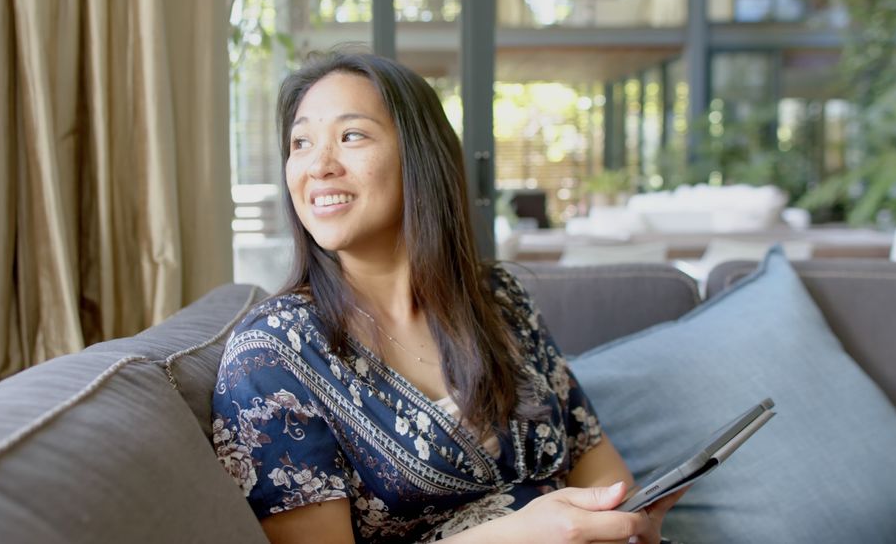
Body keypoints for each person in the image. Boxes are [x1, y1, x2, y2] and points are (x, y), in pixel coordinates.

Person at [212, 50, 685, 543]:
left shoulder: (499, 301)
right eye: (301, 142)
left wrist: (629, 517)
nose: (318, 165)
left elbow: (593, 458)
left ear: (421, 157)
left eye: (351, 135)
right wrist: (520, 534)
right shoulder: (271, 355)